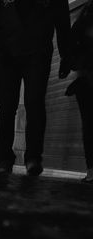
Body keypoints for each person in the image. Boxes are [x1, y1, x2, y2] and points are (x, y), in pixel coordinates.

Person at [0, 0, 72, 176]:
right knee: (7, 106)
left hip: (37, 50)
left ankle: (32, 157)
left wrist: (66, 55)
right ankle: (6, 157)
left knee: (34, 103)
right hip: (6, 52)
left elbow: (61, 17)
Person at [68, 0, 93, 182]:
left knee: (89, 125)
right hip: (86, 79)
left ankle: (91, 170)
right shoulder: (85, 17)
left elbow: (72, 47)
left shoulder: (84, 16)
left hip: (85, 79)